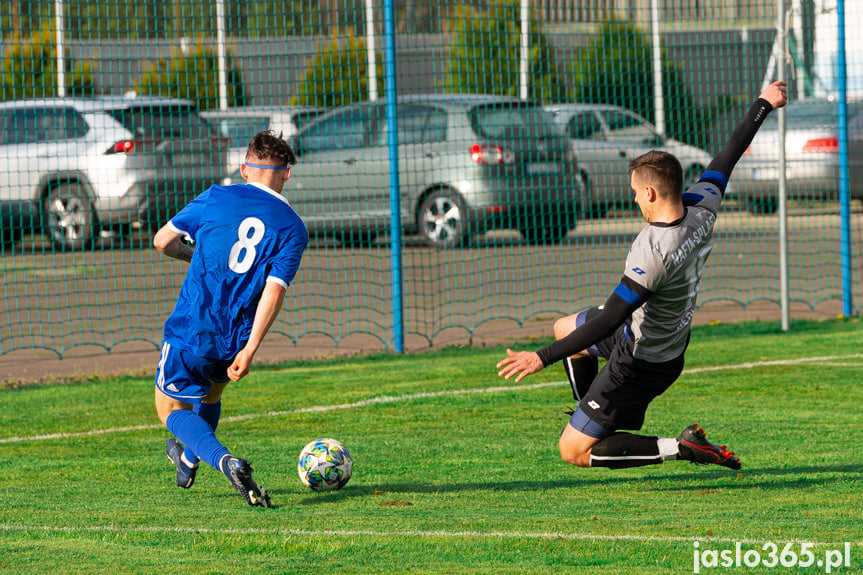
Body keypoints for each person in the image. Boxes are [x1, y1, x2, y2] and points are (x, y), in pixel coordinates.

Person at [496, 81, 788, 471]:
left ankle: (681, 447)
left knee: (573, 452)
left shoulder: (653, 252)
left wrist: (540, 358)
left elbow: (609, 319)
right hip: (658, 336)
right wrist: (763, 104)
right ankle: (596, 415)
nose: (633, 199)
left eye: (635, 192)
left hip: (643, 359)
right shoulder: (702, 205)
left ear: (650, 193)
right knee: (565, 327)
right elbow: (728, 154)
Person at [152, 130, 309, 507]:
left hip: (192, 323)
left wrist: (196, 254)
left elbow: (162, 241)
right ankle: (189, 458)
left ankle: (225, 462)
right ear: (286, 174)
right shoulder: (293, 228)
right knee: (212, 392)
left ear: (243, 169)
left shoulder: (216, 196)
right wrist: (251, 349)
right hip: (235, 336)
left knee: (170, 410)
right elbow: (275, 290)